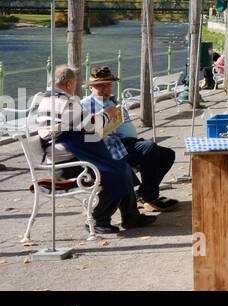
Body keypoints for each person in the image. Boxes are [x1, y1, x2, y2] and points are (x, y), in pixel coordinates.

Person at [34, 66, 153, 235]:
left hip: (66, 158)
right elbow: (91, 126)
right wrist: (108, 114)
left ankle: (131, 216)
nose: (74, 88)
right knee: (117, 172)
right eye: (74, 85)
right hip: (68, 165)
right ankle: (99, 219)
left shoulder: (49, 99)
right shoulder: (63, 103)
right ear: (68, 84)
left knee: (120, 168)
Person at [81, 66, 178, 211]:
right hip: (111, 150)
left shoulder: (112, 101)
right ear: (91, 88)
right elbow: (88, 136)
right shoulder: (86, 105)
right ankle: (149, 197)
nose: (106, 88)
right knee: (149, 148)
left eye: (108, 85)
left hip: (127, 145)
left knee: (167, 154)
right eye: (100, 86)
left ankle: (143, 194)